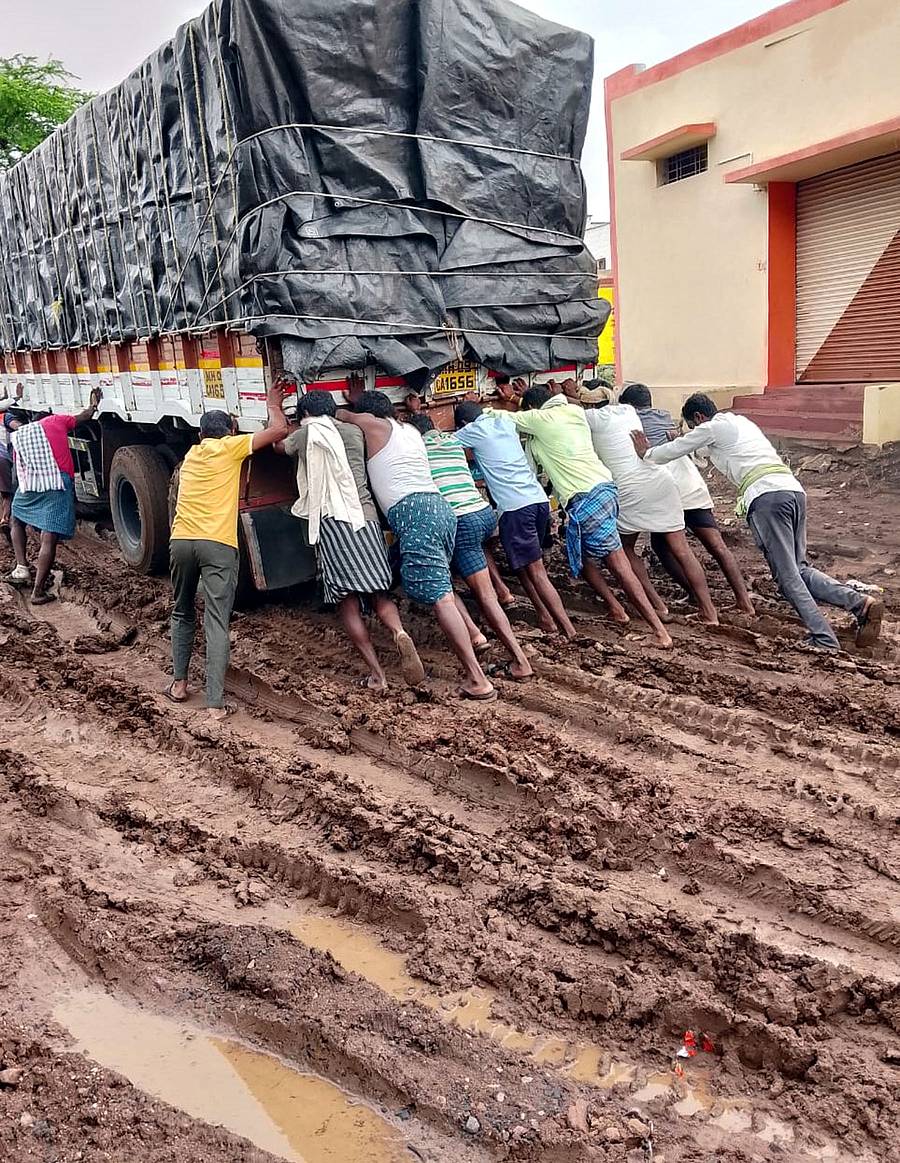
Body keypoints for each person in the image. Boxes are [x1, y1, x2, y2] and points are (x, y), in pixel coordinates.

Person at [633, 393, 882, 651]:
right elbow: (700, 452)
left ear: (698, 417)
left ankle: (823, 638)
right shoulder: (740, 423)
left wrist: (647, 453)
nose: (696, 431)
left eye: (693, 427)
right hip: (792, 491)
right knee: (800, 568)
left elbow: (675, 450)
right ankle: (859, 602)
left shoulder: (712, 427)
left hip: (767, 499)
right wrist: (684, 441)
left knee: (787, 577)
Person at [336, 391, 496, 701]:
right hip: (440, 509)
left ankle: (478, 680)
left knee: (440, 599)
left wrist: (347, 406)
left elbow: (345, 417)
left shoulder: (375, 426)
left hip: (415, 514)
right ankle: (475, 635)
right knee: (442, 587)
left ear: (372, 415)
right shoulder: (409, 430)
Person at [282, 390, 424, 692]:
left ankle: (377, 674)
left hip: (334, 523)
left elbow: (280, 446)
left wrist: (274, 409)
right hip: (367, 518)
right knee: (379, 594)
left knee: (347, 603)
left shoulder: (307, 434)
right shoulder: (353, 432)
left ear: (305, 414)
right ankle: (398, 631)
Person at [511, 387, 674, 648]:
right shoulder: (574, 412)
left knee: (618, 563)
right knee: (581, 555)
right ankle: (617, 609)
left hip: (586, 498)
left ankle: (659, 632)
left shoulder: (540, 420)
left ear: (533, 409)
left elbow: (499, 418)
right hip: (605, 489)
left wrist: (496, 403)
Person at [167, 383, 289, 718]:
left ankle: (178, 685)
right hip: (216, 543)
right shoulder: (231, 448)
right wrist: (273, 403)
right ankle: (215, 704)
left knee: (181, 611)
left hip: (180, 542)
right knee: (216, 621)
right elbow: (278, 430)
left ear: (200, 434)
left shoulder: (191, 455)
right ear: (231, 431)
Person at [409, 413, 533, 681]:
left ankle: (509, 654)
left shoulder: (417, 449)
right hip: (483, 513)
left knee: (448, 586)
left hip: (461, 521)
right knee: (474, 572)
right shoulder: (452, 442)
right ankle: (501, 599)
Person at [580, 396, 720, 626]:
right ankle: (709, 612)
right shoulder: (627, 410)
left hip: (630, 488)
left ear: (589, 404)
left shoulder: (589, 418)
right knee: (682, 549)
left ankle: (657, 604)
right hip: (660, 480)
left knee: (624, 548)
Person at [620, 384, 754, 615]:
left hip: (670, 493)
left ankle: (697, 597)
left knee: (666, 547)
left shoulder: (631, 424)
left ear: (628, 406)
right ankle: (744, 601)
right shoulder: (664, 418)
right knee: (717, 546)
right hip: (694, 487)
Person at [454, 400, 576, 639]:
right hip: (538, 500)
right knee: (523, 565)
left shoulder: (473, 431)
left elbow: (444, 442)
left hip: (515, 508)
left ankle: (566, 629)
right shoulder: (506, 422)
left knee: (535, 571)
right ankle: (545, 617)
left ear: (464, 423)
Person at [7, 390, 101, 603]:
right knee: (49, 536)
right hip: (57, 482)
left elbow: (18, 467)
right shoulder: (58, 420)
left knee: (16, 518)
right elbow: (84, 416)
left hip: (30, 483)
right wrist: (93, 405)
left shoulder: (23, 433)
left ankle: (21, 568)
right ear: (48, 417)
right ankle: (38, 592)